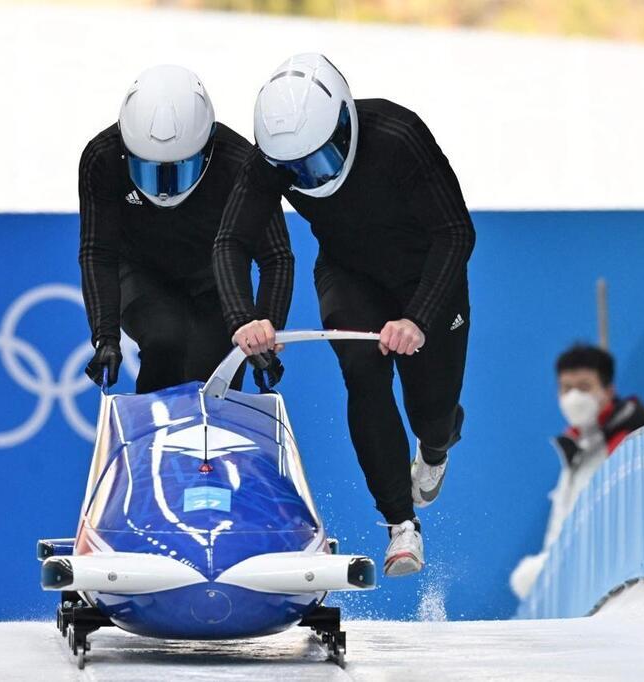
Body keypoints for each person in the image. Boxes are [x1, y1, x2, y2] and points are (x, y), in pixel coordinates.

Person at [212, 53, 475, 577]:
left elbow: (455, 232)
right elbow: (230, 242)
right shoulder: (269, 161)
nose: (310, 176)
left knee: (432, 411)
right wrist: (245, 316)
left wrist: (419, 317)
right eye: (297, 170)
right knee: (363, 376)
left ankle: (438, 441)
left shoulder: (398, 135)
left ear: (345, 122)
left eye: (320, 160)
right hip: (348, 274)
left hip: (426, 278)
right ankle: (401, 525)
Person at [78, 65, 291, 392]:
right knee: (167, 338)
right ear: (127, 151)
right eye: (148, 171)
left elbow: (275, 256)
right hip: (139, 271)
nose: (165, 189)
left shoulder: (240, 163)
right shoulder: (102, 158)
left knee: (218, 366)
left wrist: (265, 331)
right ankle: (153, 435)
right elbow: (98, 253)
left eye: (182, 170)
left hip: (215, 279)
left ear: (206, 152)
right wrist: (105, 338)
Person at [510, 343, 644, 598]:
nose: (574, 397)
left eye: (585, 387)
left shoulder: (627, 446)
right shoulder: (576, 449)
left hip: (611, 592)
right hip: (573, 591)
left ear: (608, 391)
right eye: (566, 388)